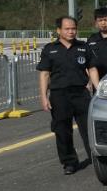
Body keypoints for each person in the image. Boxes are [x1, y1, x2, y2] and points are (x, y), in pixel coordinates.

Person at [37, 16, 100, 174]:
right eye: (67, 29)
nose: (71, 32)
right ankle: (69, 162)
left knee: (88, 128)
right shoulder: (50, 49)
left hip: (81, 93)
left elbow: (92, 69)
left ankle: (96, 157)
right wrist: (44, 96)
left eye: (73, 28)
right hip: (59, 95)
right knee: (62, 130)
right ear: (59, 30)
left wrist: (98, 89)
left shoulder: (83, 47)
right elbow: (44, 74)